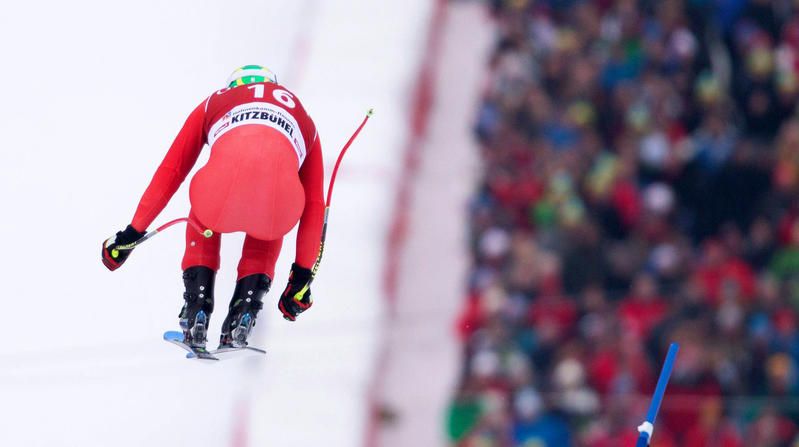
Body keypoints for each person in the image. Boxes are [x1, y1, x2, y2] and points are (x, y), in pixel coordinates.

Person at [101, 65, 325, 349]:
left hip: (219, 194)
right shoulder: (305, 119)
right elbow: (315, 205)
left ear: (234, 87)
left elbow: (171, 171)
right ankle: (245, 310)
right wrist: (301, 279)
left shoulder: (215, 101)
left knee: (205, 204)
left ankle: (197, 307)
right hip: (277, 206)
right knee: (271, 206)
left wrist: (131, 234)